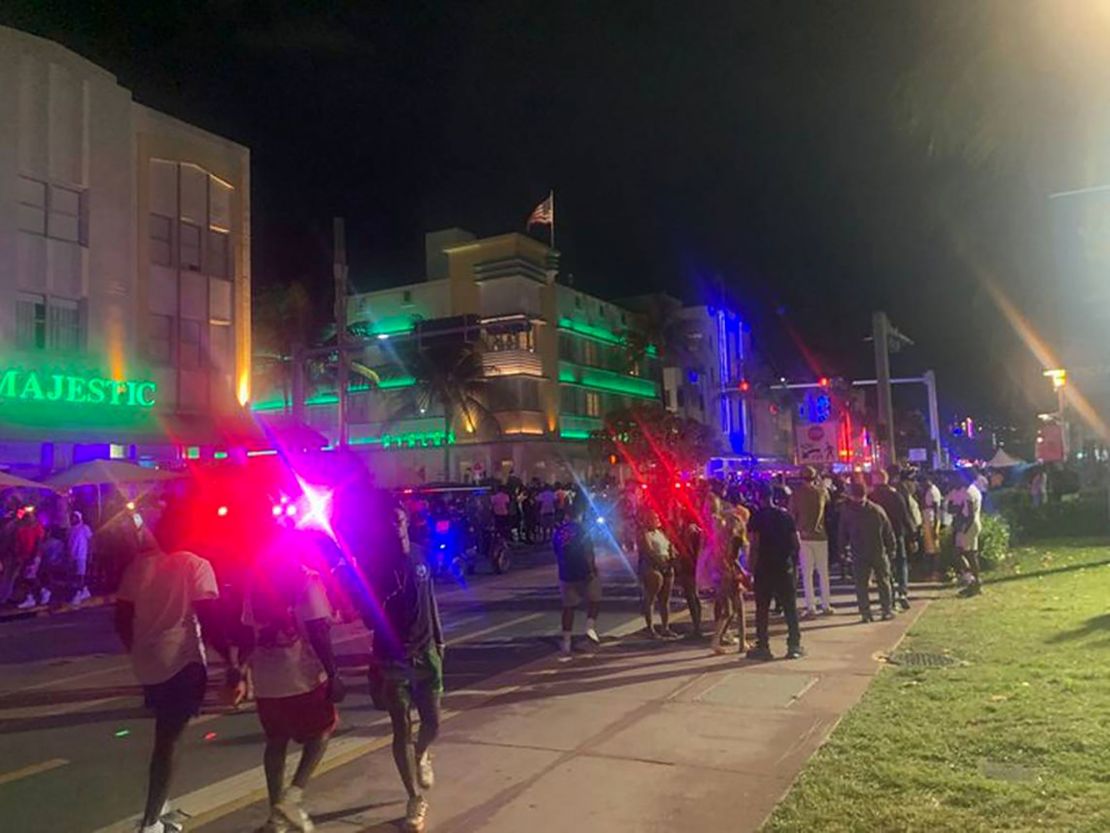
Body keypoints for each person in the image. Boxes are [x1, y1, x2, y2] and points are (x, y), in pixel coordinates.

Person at [115, 508, 233, 833]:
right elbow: (210, 620)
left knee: (165, 736)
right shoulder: (195, 564)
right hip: (182, 663)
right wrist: (232, 662)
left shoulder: (139, 566)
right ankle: (151, 822)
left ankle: (161, 804)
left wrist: (137, 649)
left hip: (148, 663)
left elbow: (121, 617)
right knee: (170, 741)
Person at [238, 527, 344, 833]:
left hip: (267, 680)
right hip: (301, 676)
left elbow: (248, 631)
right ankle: (293, 795)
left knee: (276, 742)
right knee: (323, 730)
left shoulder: (255, 581)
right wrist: (334, 674)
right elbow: (319, 632)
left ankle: (276, 816)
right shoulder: (306, 580)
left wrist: (241, 668)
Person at [365, 504, 444, 833]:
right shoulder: (377, 566)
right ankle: (414, 798)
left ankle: (422, 754)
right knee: (402, 728)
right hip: (392, 658)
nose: (394, 527)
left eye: (397, 520)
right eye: (388, 522)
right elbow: (370, 615)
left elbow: (430, 599)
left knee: (433, 723)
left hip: (427, 653)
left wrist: (440, 638)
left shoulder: (422, 556)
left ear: (406, 523)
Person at [746, 482, 803, 660]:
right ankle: (794, 645)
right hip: (784, 567)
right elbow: (796, 543)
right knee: (790, 608)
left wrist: (750, 569)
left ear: (758, 497)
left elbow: (754, 545)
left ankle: (763, 646)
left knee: (762, 609)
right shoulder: (785, 516)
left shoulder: (756, 518)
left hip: (764, 567)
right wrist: (793, 563)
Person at [837, 482, 896, 622]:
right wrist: (891, 548)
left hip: (859, 551)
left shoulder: (847, 511)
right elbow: (888, 531)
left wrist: (842, 550)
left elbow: (842, 533)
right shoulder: (877, 510)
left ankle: (865, 613)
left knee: (861, 584)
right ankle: (886, 610)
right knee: (883, 581)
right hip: (878, 550)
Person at [552, 497, 602, 656]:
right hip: (585, 572)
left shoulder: (559, 531)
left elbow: (555, 551)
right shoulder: (583, 530)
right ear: (580, 515)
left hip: (566, 573)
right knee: (594, 600)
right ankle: (589, 627)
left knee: (568, 608)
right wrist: (592, 569)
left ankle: (566, 641)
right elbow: (588, 551)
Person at [789, 466, 834, 618]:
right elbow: (828, 502)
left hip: (804, 537)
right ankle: (826, 605)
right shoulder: (821, 492)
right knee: (823, 572)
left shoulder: (796, 494)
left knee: (807, 574)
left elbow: (791, 514)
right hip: (821, 536)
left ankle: (811, 607)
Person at [869, 470, 914, 610]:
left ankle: (889, 596)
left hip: (878, 536)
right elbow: (905, 516)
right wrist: (912, 535)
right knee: (901, 563)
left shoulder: (871, 497)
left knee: (884, 567)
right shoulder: (895, 495)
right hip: (897, 533)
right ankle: (902, 592)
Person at [636, 510, 677, 639]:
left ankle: (665, 627)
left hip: (667, 565)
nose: (657, 519)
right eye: (654, 518)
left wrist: (672, 555)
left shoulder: (660, 533)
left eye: (657, 517)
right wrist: (659, 562)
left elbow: (669, 546)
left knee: (665, 600)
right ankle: (650, 628)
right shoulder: (644, 533)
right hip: (652, 566)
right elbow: (648, 550)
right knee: (651, 597)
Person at [670, 504, 704, 638]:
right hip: (693, 564)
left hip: (689, 565)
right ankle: (697, 625)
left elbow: (686, 549)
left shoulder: (689, 530)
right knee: (693, 595)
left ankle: (697, 627)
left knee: (692, 596)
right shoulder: (696, 529)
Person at [951, 477, 984, 596]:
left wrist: (964, 529)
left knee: (960, 553)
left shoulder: (968, 493)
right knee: (971, 554)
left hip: (969, 525)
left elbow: (969, 514)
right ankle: (976, 582)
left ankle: (971, 581)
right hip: (974, 523)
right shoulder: (974, 490)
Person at [68, 510, 94, 604]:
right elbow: (70, 543)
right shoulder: (71, 529)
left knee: (80, 575)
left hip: (81, 555)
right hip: (73, 555)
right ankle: (84, 590)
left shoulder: (85, 528)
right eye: (72, 517)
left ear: (79, 518)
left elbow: (90, 541)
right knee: (74, 576)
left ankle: (79, 593)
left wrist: (90, 554)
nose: (73, 519)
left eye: (75, 517)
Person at [919, 476, 943, 579]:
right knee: (928, 549)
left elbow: (937, 510)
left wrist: (936, 527)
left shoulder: (934, 491)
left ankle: (935, 572)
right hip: (926, 521)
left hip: (932, 521)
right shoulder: (927, 491)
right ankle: (929, 572)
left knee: (934, 549)